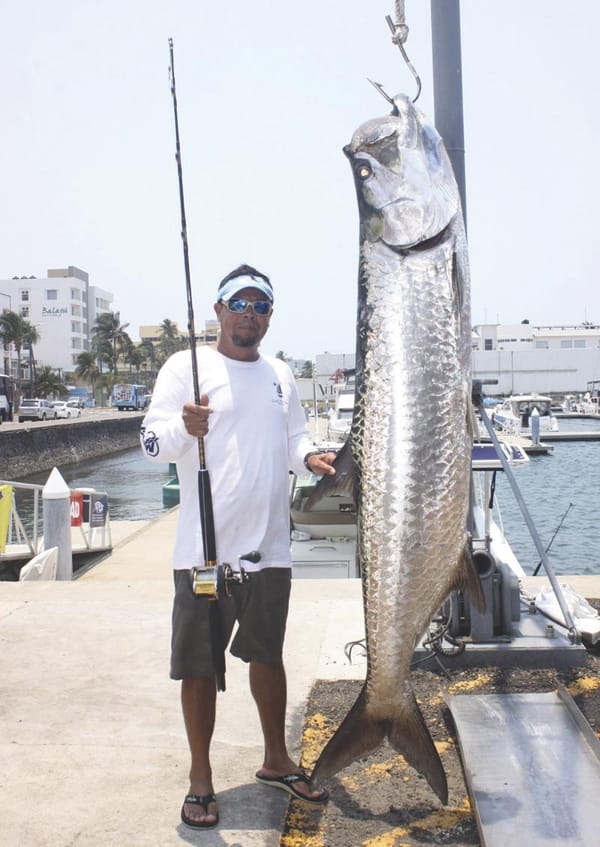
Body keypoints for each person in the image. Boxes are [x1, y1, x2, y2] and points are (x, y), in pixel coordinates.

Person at [140, 264, 336, 829]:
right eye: (240, 304)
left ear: (270, 317)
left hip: (270, 549)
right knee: (199, 668)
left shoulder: (280, 374)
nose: (250, 315)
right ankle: (200, 779)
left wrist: (310, 458)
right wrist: (185, 427)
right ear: (219, 310)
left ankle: (276, 759)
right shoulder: (185, 366)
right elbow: (152, 444)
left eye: (261, 306)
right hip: (204, 554)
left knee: (268, 656)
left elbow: (294, 439)